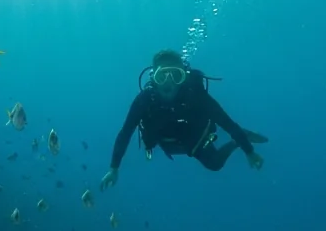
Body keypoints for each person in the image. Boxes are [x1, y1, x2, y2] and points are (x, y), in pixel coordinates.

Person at [101, 49, 264, 190]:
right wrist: (113, 168)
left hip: (193, 138)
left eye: (175, 75)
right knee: (174, 150)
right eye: (162, 75)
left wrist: (248, 150)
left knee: (215, 165)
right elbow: (126, 132)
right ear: (153, 78)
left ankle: (240, 138)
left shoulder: (196, 96)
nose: (169, 82)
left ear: (183, 77)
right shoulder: (144, 100)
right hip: (165, 139)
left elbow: (227, 123)